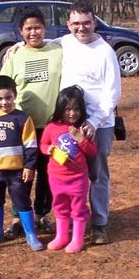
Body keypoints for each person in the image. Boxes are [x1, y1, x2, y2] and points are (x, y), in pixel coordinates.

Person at [59, 1, 121, 245]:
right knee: (69, 172)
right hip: (70, 120)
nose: (81, 28)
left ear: (94, 22)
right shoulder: (65, 42)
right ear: (68, 25)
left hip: (99, 123)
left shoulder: (105, 52)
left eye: (86, 22)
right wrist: (18, 45)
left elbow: (112, 94)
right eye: (75, 23)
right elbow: (41, 44)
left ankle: (99, 224)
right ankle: (74, 221)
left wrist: (94, 122)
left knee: (97, 175)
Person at [0, 8, 63, 238]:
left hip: (51, 126)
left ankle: (41, 215)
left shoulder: (58, 50)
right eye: (28, 28)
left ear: (45, 28)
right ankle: (18, 217)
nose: (33, 32)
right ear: (21, 31)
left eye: (37, 27)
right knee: (20, 175)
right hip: (22, 127)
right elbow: (1, 87)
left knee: (47, 173)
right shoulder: (15, 56)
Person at [0, 75, 44, 251]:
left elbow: (30, 144)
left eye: (8, 98)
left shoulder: (22, 118)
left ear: (15, 95)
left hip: (17, 171)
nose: (4, 102)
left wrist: (29, 165)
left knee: (22, 201)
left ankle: (30, 234)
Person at [40, 86, 97, 253]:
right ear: (60, 109)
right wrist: (47, 149)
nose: (72, 113)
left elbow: (93, 151)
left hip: (77, 177)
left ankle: (77, 239)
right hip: (56, 177)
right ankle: (62, 236)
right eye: (68, 109)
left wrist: (81, 139)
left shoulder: (84, 128)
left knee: (78, 207)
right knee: (59, 205)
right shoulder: (52, 127)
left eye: (76, 109)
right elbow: (43, 143)